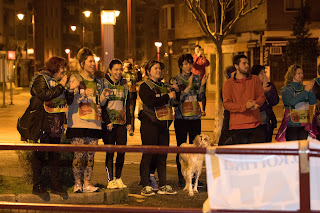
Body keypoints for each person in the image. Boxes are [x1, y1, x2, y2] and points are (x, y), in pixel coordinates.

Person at [30, 56, 78, 199]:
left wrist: (69, 91)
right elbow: (45, 95)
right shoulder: (41, 79)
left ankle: (55, 185)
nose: (64, 71)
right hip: (44, 122)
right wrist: (62, 86)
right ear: (55, 67)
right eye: (62, 68)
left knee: (54, 155)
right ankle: (37, 185)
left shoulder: (59, 82)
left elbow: (67, 101)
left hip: (56, 123)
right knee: (40, 154)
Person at [66, 47, 109, 193]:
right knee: (79, 155)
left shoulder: (98, 82)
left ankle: (87, 183)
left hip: (94, 123)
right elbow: (68, 99)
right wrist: (71, 90)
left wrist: (103, 97)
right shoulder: (75, 78)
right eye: (90, 61)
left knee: (90, 157)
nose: (93, 64)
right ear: (82, 63)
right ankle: (77, 184)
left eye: (94, 61)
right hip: (78, 122)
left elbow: (99, 103)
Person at [138, 60, 177, 196]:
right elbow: (151, 101)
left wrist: (175, 93)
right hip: (150, 124)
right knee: (148, 154)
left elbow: (174, 101)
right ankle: (145, 184)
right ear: (148, 71)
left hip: (164, 124)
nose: (158, 70)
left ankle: (163, 184)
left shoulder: (166, 86)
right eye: (155, 68)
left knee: (162, 156)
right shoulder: (144, 86)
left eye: (160, 68)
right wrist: (167, 97)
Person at [174, 53, 208, 187]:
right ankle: (182, 177)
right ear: (181, 66)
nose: (188, 66)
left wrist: (203, 85)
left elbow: (199, 98)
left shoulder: (197, 78)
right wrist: (188, 86)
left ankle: (195, 178)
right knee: (181, 149)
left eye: (190, 63)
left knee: (196, 148)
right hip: (181, 118)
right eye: (185, 64)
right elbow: (177, 99)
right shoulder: (175, 79)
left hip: (195, 117)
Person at [222, 54, 266, 144]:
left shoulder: (255, 79)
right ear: (236, 66)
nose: (247, 66)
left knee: (257, 156)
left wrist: (256, 103)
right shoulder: (228, 84)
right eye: (244, 63)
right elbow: (227, 104)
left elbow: (262, 96)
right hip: (237, 127)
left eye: (247, 63)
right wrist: (244, 106)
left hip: (255, 124)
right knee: (240, 157)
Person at [102, 59, 131, 189]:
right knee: (110, 152)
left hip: (121, 123)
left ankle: (118, 178)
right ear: (110, 70)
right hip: (108, 124)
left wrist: (129, 122)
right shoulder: (104, 83)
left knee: (121, 151)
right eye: (116, 69)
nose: (118, 72)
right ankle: (110, 180)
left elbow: (128, 104)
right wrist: (107, 121)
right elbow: (101, 105)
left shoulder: (124, 85)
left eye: (120, 69)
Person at [275, 64, 316, 142]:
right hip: (292, 124)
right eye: (298, 73)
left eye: (302, 73)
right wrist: (306, 91)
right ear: (292, 74)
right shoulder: (286, 89)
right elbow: (292, 102)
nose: (301, 75)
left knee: (302, 149)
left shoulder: (304, 88)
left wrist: (310, 90)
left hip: (304, 124)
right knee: (293, 149)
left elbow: (312, 102)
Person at [251, 65, 279, 142]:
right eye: (261, 73)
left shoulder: (270, 85)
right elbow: (257, 105)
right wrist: (262, 91)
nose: (264, 75)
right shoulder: (251, 87)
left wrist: (267, 92)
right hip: (254, 122)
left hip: (267, 122)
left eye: (264, 72)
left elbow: (275, 101)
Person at [218, 66, 236, 146]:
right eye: (234, 73)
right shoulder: (226, 86)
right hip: (229, 115)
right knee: (226, 136)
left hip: (236, 115)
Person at [191, 45, 210, 116]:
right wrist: (197, 56)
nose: (198, 51)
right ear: (195, 51)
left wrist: (204, 56)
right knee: (195, 95)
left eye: (199, 50)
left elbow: (207, 64)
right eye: (197, 50)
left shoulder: (202, 58)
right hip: (194, 79)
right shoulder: (193, 58)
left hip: (202, 79)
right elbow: (193, 64)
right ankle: (196, 110)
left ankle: (203, 110)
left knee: (203, 94)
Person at [122, 60, 137, 136]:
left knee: (131, 112)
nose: (127, 67)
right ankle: (124, 127)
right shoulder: (121, 74)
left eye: (129, 66)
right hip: (124, 94)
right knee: (124, 111)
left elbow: (136, 79)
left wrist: (134, 70)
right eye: (126, 66)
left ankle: (131, 129)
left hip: (132, 94)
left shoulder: (133, 74)